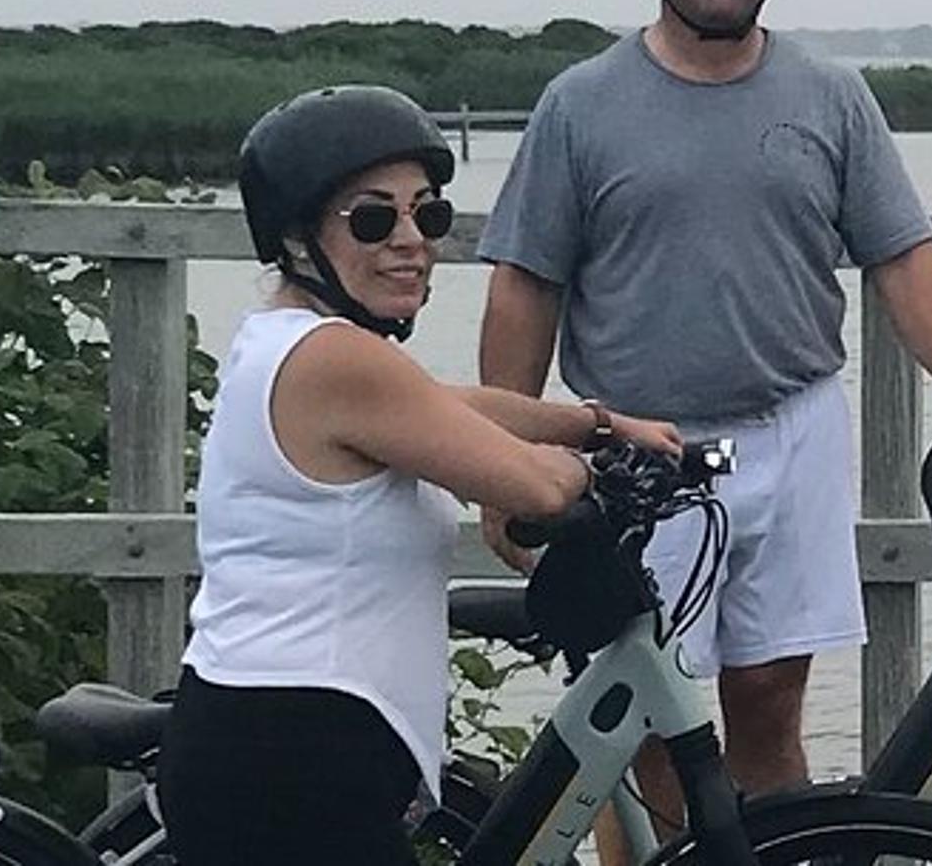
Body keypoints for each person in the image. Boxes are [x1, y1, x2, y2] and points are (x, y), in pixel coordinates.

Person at [477, 0, 932, 836]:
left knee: (768, 702)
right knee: (640, 717)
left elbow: (902, 255)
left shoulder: (828, 96)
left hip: (792, 429)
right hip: (637, 448)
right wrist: (506, 454)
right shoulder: (579, 106)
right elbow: (524, 286)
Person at [158, 84, 680, 866]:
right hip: (291, 769)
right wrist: (593, 473)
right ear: (298, 238)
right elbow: (532, 486)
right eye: (374, 218)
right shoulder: (337, 359)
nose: (411, 238)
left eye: (427, 213)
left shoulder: (288, 341)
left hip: (286, 747)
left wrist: (597, 423)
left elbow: (448, 405)